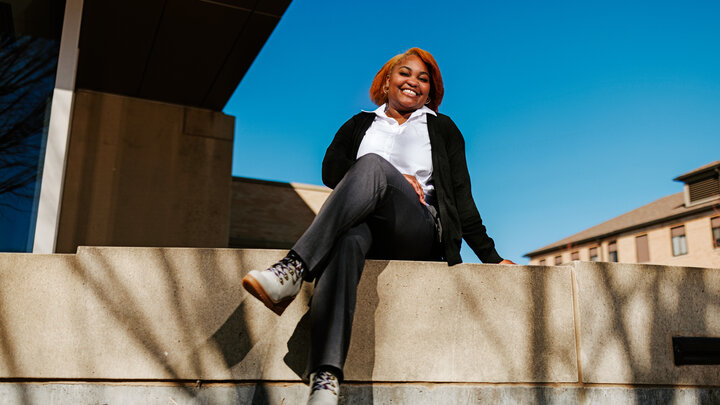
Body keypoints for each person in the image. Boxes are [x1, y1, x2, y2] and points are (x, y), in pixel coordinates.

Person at [241, 47, 515, 405]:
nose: (414, 82)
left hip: (418, 228)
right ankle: (325, 379)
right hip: (368, 229)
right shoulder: (360, 124)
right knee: (347, 240)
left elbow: (461, 197)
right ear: (386, 82)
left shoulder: (441, 128)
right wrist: (390, 175)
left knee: (372, 163)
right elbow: (330, 174)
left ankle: (293, 268)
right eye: (405, 73)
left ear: (430, 91)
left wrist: (491, 258)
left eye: (423, 78)